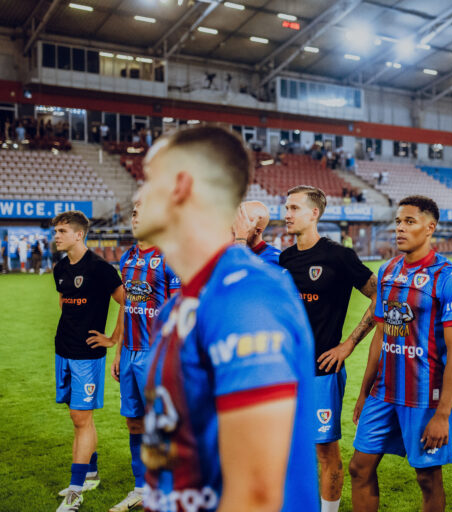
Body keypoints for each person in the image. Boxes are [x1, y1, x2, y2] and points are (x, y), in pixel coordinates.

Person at [134, 126, 318, 511]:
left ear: (182, 186)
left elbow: (254, 495)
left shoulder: (245, 298)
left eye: (150, 179)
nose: (138, 194)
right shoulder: (176, 306)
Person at [349, 195, 452, 512]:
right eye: (398, 221)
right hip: (383, 393)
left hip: (423, 397)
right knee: (359, 467)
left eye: (409, 222)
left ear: (430, 228)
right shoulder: (387, 270)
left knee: (427, 479)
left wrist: (442, 414)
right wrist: (364, 392)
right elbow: (382, 334)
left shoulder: (448, 277)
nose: (400, 228)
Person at [279, 185, 378, 512]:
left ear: (314, 214)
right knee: (291, 449)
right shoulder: (286, 258)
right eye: (285, 207)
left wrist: (348, 343)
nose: (286, 214)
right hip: (287, 371)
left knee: (326, 453)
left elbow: (380, 297)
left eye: (293, 208)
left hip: (322, 371)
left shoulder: (339, 255)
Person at [109, 200, 180, 512]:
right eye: (134, 213)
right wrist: (119, 348)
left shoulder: (169, 258)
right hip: (130, 353)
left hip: (157, 354)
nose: (136, 218)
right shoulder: (127, 257)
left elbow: (181, 312)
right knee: (134, 422)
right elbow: (129, 305)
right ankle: (141, 488)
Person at [52, 210, 125, 512]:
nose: (56, 236)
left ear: (79, 235)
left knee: (82, 419)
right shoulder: (59, 268)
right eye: (55, 231)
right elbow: (64, 305)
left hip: (88, 354)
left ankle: (76, 490)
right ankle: (91, 472)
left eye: (62, 231)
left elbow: (127, 302)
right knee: (77, 417)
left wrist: (113, 338)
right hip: (63, 350)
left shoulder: (100, 269)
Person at [232, 200, 280, 265]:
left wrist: (240, 240)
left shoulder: (273, 258)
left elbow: (239, 271)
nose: (235, 227)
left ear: (258, 231)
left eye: (242, 223)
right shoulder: (227, 251)